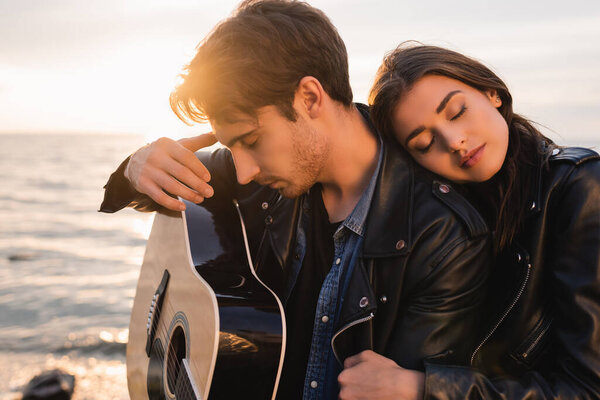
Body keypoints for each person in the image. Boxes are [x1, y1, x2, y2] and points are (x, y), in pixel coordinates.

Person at [100, 2, 493, 399]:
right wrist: (136, 168)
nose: (242, 172)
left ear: (309, 98)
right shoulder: (262, 174)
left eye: (251, 140)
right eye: (230, 146)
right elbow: (159, 188)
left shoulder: (443, 238)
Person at [369, 43, 600, 398]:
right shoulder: (442, 228)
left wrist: (426, 390)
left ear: (491, 92)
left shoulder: (580, 189)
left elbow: (588, 389)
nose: (454, 141)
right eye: (425, 142)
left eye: (457, 112)